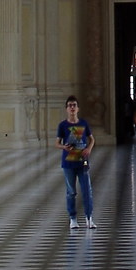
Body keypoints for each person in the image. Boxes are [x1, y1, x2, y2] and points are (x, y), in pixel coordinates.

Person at [57, 96, 95, 230]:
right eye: (69, 105)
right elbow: (57, 143)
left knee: (86, 190)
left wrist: (88, 149)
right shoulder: (62, 125)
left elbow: (92, 139)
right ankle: (72, 219)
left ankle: (89, 217)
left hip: (82, 161)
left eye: (74, 105)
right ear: (67, 109)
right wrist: (64, 147)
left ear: (78, 108)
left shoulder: (83, 123)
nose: (72, 107)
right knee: (71, 192)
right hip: (68, 163)